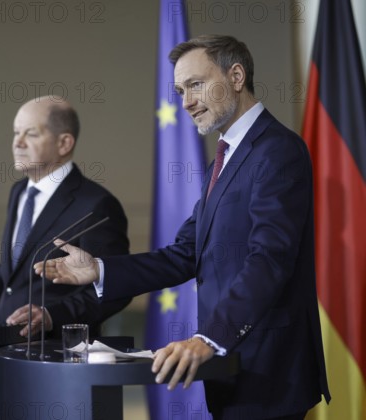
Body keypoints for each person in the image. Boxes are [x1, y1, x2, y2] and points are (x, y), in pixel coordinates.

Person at [39, 35, 331, 420]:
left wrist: (209, 338)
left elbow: (269, 258)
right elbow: (185, 254)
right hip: (232, 370)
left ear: (237, 76)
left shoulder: (277, 151)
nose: (187, 102)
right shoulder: (224, 161)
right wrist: (101, 269)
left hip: (269, 373)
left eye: (195, 84)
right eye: (179, 90)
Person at [0, 96, 131, 419]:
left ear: (64, 142)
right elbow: (11, 275)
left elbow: (113, 288)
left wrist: (51, 314)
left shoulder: (96, 205)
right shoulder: (20, 193)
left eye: (30, 133)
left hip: (58, 367)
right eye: (15, 133)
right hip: (6, 357)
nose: (17, 143)